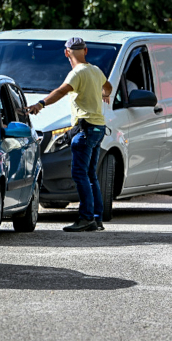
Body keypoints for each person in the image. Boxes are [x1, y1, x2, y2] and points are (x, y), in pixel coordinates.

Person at [27, 37, 113, 232]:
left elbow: (60, 91)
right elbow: (108, 87)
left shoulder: (77, 73)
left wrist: (40, 104)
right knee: (91, 174)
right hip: (99, 128)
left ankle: (86, 218)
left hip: (85, 129)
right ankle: (97, 218)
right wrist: (104, 94)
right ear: (86, 50)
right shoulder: (95, 70)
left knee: (80, 174)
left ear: (66, 53)